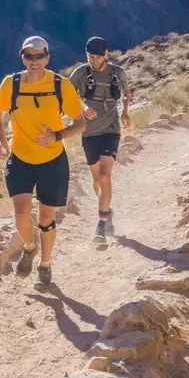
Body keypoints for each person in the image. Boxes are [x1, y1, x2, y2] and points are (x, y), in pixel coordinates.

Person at [0, 36, 86, 288]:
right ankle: (29, 247)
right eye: (28, 56)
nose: (34, 61)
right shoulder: (10, 84)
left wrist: (58, 135)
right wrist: (2, 140)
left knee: (46, 218)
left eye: (39, 56)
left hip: (52, 160)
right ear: (22, 57)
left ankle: (45, 264)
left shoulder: (59, 85)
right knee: (21, 211)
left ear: (47, 57)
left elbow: (81, 122)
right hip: (20, 159)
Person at [70, 36, 131, 245]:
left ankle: (101, 225)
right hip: (88, 132)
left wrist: (125, 113)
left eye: (96, 56)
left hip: (111, 130)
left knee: (105, 177)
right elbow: (67, 95)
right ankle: (106, 210)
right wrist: (82, 108)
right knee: (96, 181)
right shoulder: (81, 73)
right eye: (89, 56)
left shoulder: (117, 73)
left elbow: (126, 92)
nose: (93, 60)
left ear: (105, 54)